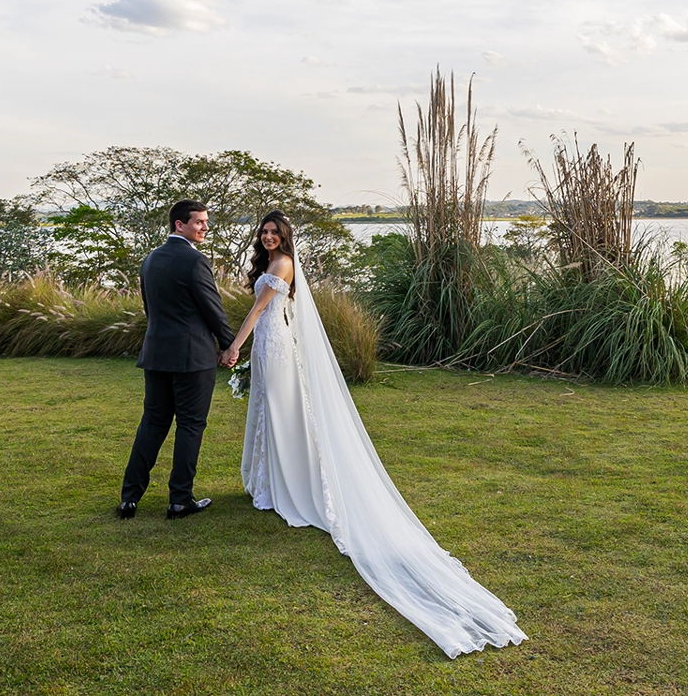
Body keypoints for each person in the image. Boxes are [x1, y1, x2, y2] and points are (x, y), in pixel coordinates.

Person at [232, 210, 525, 658]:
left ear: (284, 237)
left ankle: (289, 484)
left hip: (273, 344)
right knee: (271, 414)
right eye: (264, 232)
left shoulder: (284, 264)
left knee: (280, 413)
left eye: (275, 232)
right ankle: (272, 482)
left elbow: (259, 309)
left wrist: (235, 345)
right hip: (271, 343)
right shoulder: (269, 263)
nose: (268, 236)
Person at [117, 199, 238, 520]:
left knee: (152, 423)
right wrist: (230, 345)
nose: (205, 227)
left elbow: (150, 308)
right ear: (179, 224)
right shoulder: (195, 261)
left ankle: (129, 498)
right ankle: (180, 500)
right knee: (190, 425)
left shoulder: (150, 259)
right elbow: (212, 308)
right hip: (192, 357)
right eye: (199, 222)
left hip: (156, 354)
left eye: (205, 221)